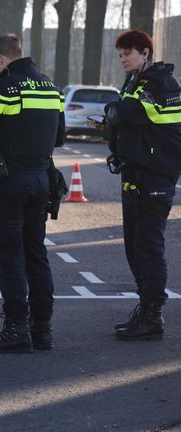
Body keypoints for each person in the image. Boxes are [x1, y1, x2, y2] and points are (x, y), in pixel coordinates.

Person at [0, 34, 64, 353]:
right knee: (36, 253)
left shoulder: (5, 87)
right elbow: (60, 137)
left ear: (0, 59)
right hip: (41, 179)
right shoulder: (51, 87)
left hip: (9, 181)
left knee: (10, 256)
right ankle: (43, 329)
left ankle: (15, 328)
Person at [103, 30, 181, 340]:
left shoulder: (159, 83)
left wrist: (114, 111)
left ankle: (153, 315)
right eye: (120, 55)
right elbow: (124, 116)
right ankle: (146, 308)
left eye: (129, 54)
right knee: (135, 247)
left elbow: (133, 112)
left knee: (148, 246)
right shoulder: (135, 82)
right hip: (136, 175)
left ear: (146, 53)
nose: (123, 59)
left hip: (155, 176)